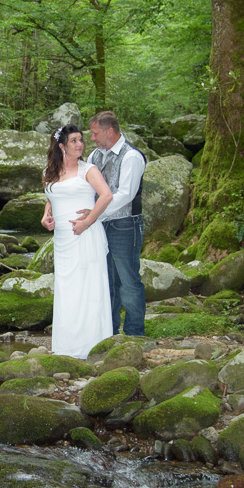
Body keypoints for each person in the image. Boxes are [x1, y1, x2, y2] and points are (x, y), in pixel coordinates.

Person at [40, 124, 115, 359]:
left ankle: (91, 346)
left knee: (88, 289)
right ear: (61, 146)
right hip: (62, 240)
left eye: (81, 140)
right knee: (67, 290)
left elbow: (106, 196)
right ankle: (66, 347)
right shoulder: (48, 173)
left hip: (85, 237)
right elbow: (51, 197)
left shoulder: (88, 170)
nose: (80, 144)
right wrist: (46, 214)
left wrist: (88, 221)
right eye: (74, 141)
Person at [85, 110, 147, 336]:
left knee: (128, 281)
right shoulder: (94, 156)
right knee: (107, 281)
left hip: (125, 225)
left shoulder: (131, 156)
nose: (92, 138)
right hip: (100, 226)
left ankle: (134, 334)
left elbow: (125, 195)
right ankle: (108, 332)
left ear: (109, 131)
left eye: (95, 133)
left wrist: (94, 214)